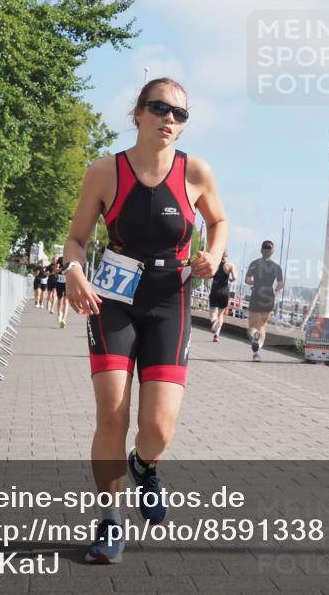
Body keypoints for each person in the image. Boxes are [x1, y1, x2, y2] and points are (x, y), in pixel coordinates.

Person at [62, 78, 227, 564]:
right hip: (112, 297)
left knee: (158, 427)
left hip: (169, 300)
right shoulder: (103, 172)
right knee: (112, 414)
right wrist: (74, 270)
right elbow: (76, 239)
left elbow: (219, 221)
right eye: (160, 108)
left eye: (179, 113)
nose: (170, 119)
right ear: (137, 113)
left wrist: (213, 255)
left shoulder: (195, 171)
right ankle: (109, 522)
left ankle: (144, 463)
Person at [244, 240, 283, 362]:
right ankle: (257, 352)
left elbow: (247, 280)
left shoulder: (254, 263)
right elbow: (280, 284)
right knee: (262, 326)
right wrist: (275, 290)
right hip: (269, 297)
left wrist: (253, 282)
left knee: (252, 326)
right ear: (272, 252)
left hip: (256, 294)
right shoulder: (277, 267)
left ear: (261, 250)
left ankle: (254, 337)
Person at [208, 251, 235, 342]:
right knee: (221, 315)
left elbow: (209, 276)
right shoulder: (229, 266)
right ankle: (216, 335)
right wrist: (230, 279)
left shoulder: (214, 265)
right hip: (224, 292)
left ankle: (214, 321)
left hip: (215, 290)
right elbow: (234, 278)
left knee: (213, 313)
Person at [54, 256, 69, 328]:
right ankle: (59, 315)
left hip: (68, 283)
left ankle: (64, 319)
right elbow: (55, 270)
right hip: (60, 282)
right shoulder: (60, 259)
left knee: (66, 301)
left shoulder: (71, 259)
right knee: (60, 300)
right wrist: (63, 269)